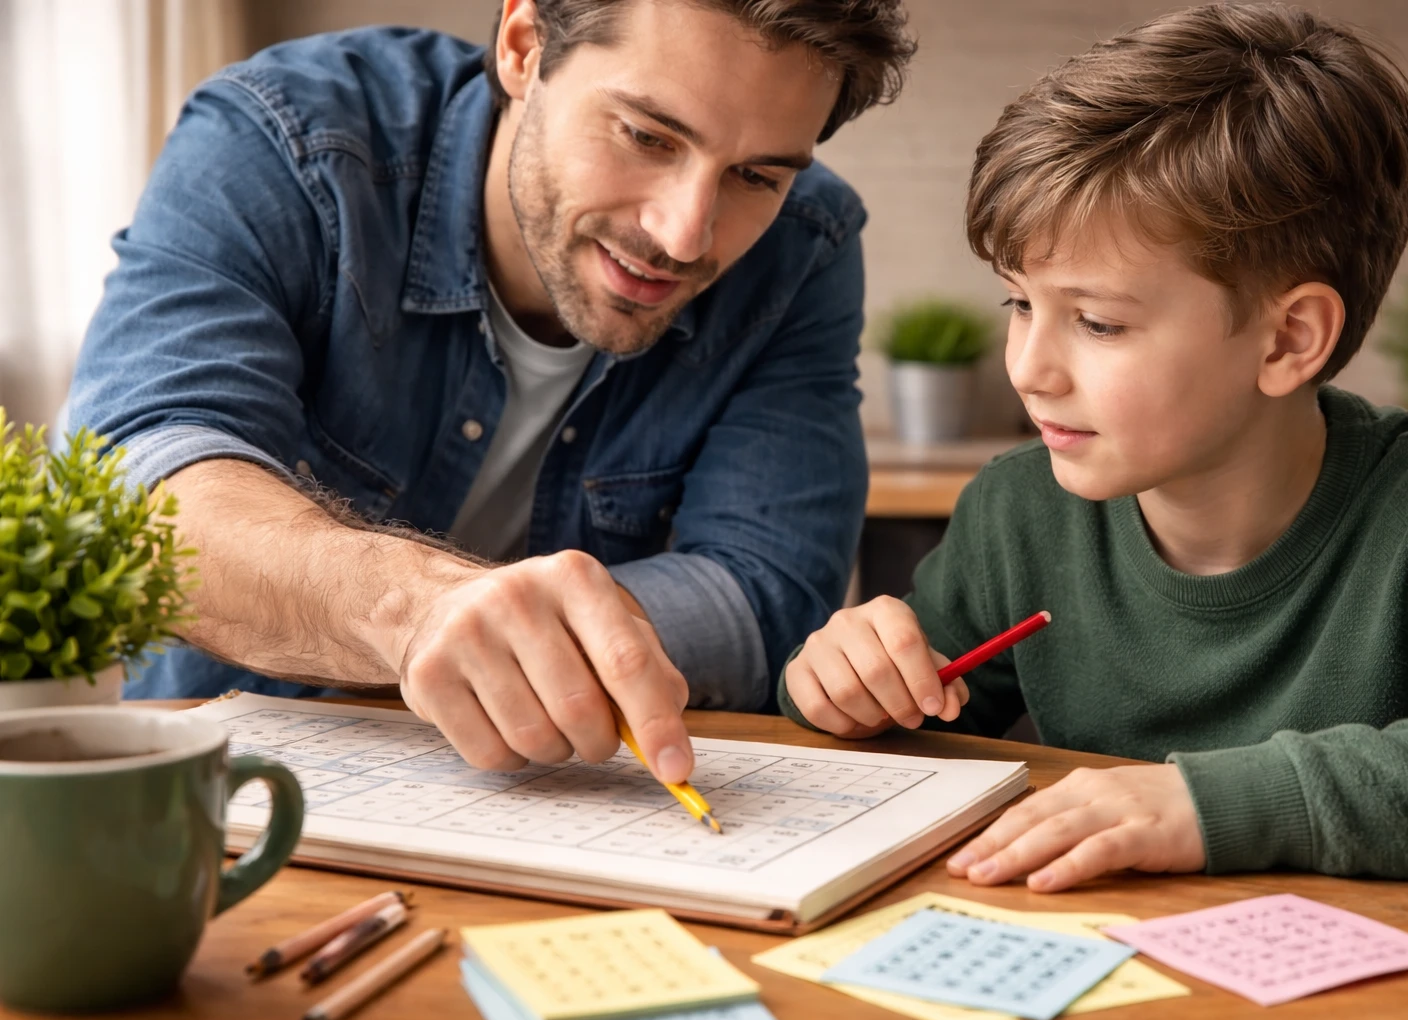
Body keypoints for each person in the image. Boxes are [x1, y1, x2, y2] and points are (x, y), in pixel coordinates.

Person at [781, 2, 1408, 890]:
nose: (1030, 369)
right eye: (1019, 303)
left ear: (1289, 340)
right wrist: (832, 682)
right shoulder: (1020, 512)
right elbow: (895, 716)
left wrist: (1198, 805)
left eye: (1098, 323)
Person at [66, 0, 915, 783]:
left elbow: (765, 595)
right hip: (239, 788)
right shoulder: (285, 137)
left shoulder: (806, 247)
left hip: (576, 807)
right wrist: (418, 609)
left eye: (756, 178)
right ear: (522, 46)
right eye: (648, 137)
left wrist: (505, 636)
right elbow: (138, 496)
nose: (684, 233)